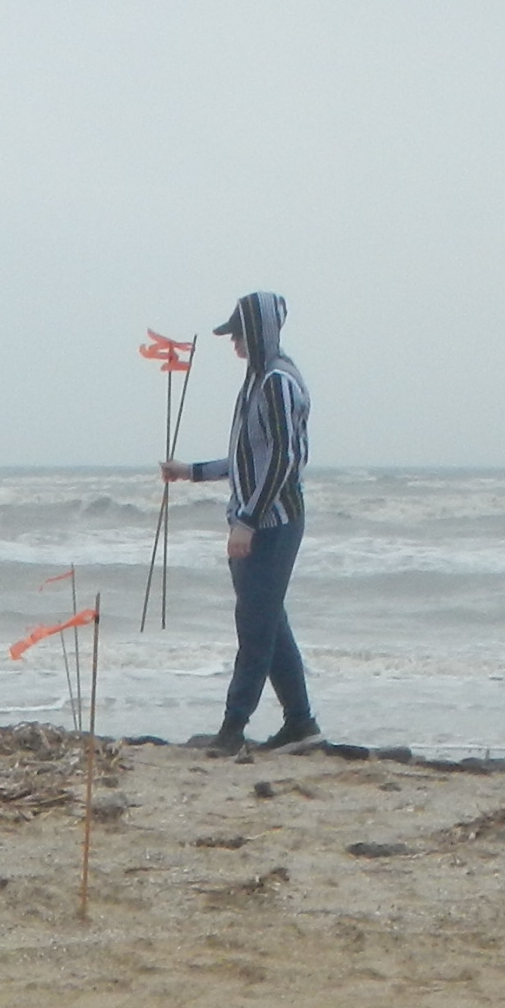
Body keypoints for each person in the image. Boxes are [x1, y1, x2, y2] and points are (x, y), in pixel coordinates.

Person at [161, 292, 315, 752]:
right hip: (256, 520)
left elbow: (283, 460)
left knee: (255, 625)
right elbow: (248, 458)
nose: (234, 343)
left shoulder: (277, 382)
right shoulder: (257, 382)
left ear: (259, 333)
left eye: (239, 335)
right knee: (268, 622)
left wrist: (247, 521)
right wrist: (191, 472)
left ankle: (232, 729)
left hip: (274, 523)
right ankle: (301, 724)